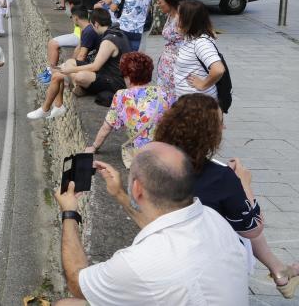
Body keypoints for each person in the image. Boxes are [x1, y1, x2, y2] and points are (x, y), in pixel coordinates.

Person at [53, 142, 249, 305]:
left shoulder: (136, 264)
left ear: (137, 188)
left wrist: (69, 212)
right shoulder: (212, 218)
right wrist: (120, 194)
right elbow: (160, 225)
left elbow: (77, 283)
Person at [154, 94, 299, 300]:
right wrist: (243, 184)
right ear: (208, 133)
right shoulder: (220, 176)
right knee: (239, 222)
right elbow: (252, 228)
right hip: (209, 261)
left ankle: (279, 270)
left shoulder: (152, 162)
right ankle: (280, 271)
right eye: (221, 124)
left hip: (164, 249)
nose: (224, 128)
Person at [27, 8, 130, 120]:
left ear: (96, 24)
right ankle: (54, 107)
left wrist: (69, 71)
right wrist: (69, 68)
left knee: (75, 76)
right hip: (105, 73)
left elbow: (95, 66)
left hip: (114, 81)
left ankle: (47, 109)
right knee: (67, 64)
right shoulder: (116, 32)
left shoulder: (108, 40)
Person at [84, 52, 172, 155]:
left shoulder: (122, 96)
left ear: (128, 77)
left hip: (141, 154)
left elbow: (106, 127)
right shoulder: (165, 93)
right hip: (165, 151)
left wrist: (94, 147)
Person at [172, 0, 225, 99]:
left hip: (198, 104)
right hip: (188, 101)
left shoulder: (201, 43)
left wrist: (203, 84)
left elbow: (218, 69)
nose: (175, 18)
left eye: (178, 15)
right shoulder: (190, 37)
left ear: (188, 20)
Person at [37, 0, 84, 84]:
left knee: (53, 43)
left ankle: (51, 71)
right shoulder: (81, 10)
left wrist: (80, 45)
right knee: (52, 42)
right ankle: (50, 69)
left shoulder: (78, 12)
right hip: (76, 35)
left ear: (71, 4)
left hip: (78, 37)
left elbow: (83, 28)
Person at [154, 0, 186, 96]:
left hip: (178, 69)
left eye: (160, 1)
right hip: (166, 69)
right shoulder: (170, 15)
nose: (158, 4)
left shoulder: (182, 19)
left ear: (170, 1)